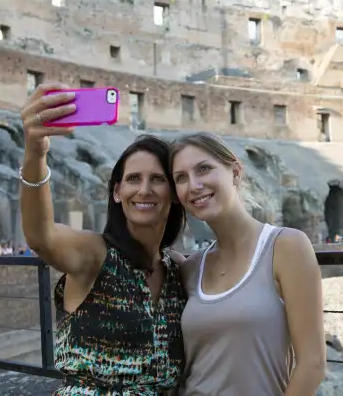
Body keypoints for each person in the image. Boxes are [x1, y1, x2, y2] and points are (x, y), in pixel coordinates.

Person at [19, 83, 187, 396]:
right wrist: (35, 153)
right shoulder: (95, 253)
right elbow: (41, 236)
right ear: (116, 191)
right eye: (133, 179)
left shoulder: (177, 270)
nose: (144, 189)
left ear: (174, 195)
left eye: (158, 179)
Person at [170, 132, 326, 396]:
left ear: (235, 172)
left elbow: (312, 364)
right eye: (180, 178)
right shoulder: (190, 268)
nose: (194, 185)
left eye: (204, 169)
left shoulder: (286, 246)